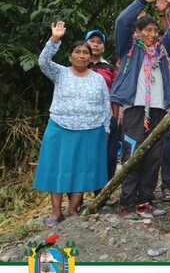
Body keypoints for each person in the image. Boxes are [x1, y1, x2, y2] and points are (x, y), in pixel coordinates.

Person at [111, 0, 170, 218]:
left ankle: (145, 200)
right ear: (138, 33)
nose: (153, 34)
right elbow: (122, 22)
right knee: (133, 155)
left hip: (160, 110)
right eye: (148, 30)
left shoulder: (162, 52)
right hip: (136, 110)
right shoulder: (129, 51)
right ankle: (127, 202)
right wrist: (142, 1)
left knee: (153, 156)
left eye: (155, 31)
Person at [34, 21, 111, 227]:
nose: (82, 55)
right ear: (70, 56)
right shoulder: (60, 73)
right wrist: (55, 39)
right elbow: (42, 62)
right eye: (77, 52)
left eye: (85, 53)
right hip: (60, 128)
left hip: (90, 131)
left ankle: (73, 210)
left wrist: (106, 129)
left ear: (90, 57)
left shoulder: (98, 79)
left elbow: (106, 105)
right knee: (57, 169)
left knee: (82, 170)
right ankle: (56, 212)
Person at [84, 29, 120, 183]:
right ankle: (81, 193)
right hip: (83, 118)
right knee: (85, 155)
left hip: (106, 117)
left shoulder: (110, 68)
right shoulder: (79, 65)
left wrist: (115, 117)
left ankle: (104, 191)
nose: (96, 45)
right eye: (92, 41)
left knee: (109, 156)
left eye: (99, 43)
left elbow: (116, 94)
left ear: (104, 48)